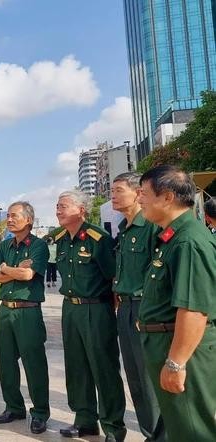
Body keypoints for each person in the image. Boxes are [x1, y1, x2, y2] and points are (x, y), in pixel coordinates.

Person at [137, 165, 216, 440]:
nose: (139, 199)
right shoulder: (171, 237)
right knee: (179, 426)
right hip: (167, 345)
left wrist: (176, 363)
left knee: (193, 430)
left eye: (144, 193)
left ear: (167, 197)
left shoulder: (188, 241)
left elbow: (195, 309)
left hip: (184, 351)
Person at [54, 190, 126, 441]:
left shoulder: (98, 238)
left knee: (103, 367)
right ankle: (84, 420)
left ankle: (113, 427)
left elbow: (113, 277)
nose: (58, 210)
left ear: (81, 210)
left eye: (64, 206)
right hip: (70, 308)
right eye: (57, 206)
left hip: (96, 308)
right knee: (76, 366)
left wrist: (111, 308)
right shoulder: (61, 239)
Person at [110, 172, 164, 441]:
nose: (113, 195)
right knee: (135, 379)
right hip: (126, 309)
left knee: (149, 379)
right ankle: (148, 433)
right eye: (112, 190)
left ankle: (159, 435)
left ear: (137, 193)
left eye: (119, 189)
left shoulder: (152, 227)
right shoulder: (123, 229)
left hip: (146, 309)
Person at [0, 202, 50, 435]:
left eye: (14, 216)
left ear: (28, 219)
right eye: (8, 216)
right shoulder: (4, 245)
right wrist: (9, 270)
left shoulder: (39, 246)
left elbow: (28, 274)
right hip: (5, 310)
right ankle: (13, 407)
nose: (9, 220)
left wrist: (8, 269)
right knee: (6, 362)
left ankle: (40, 413)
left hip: (28, 311)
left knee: (33, 364)